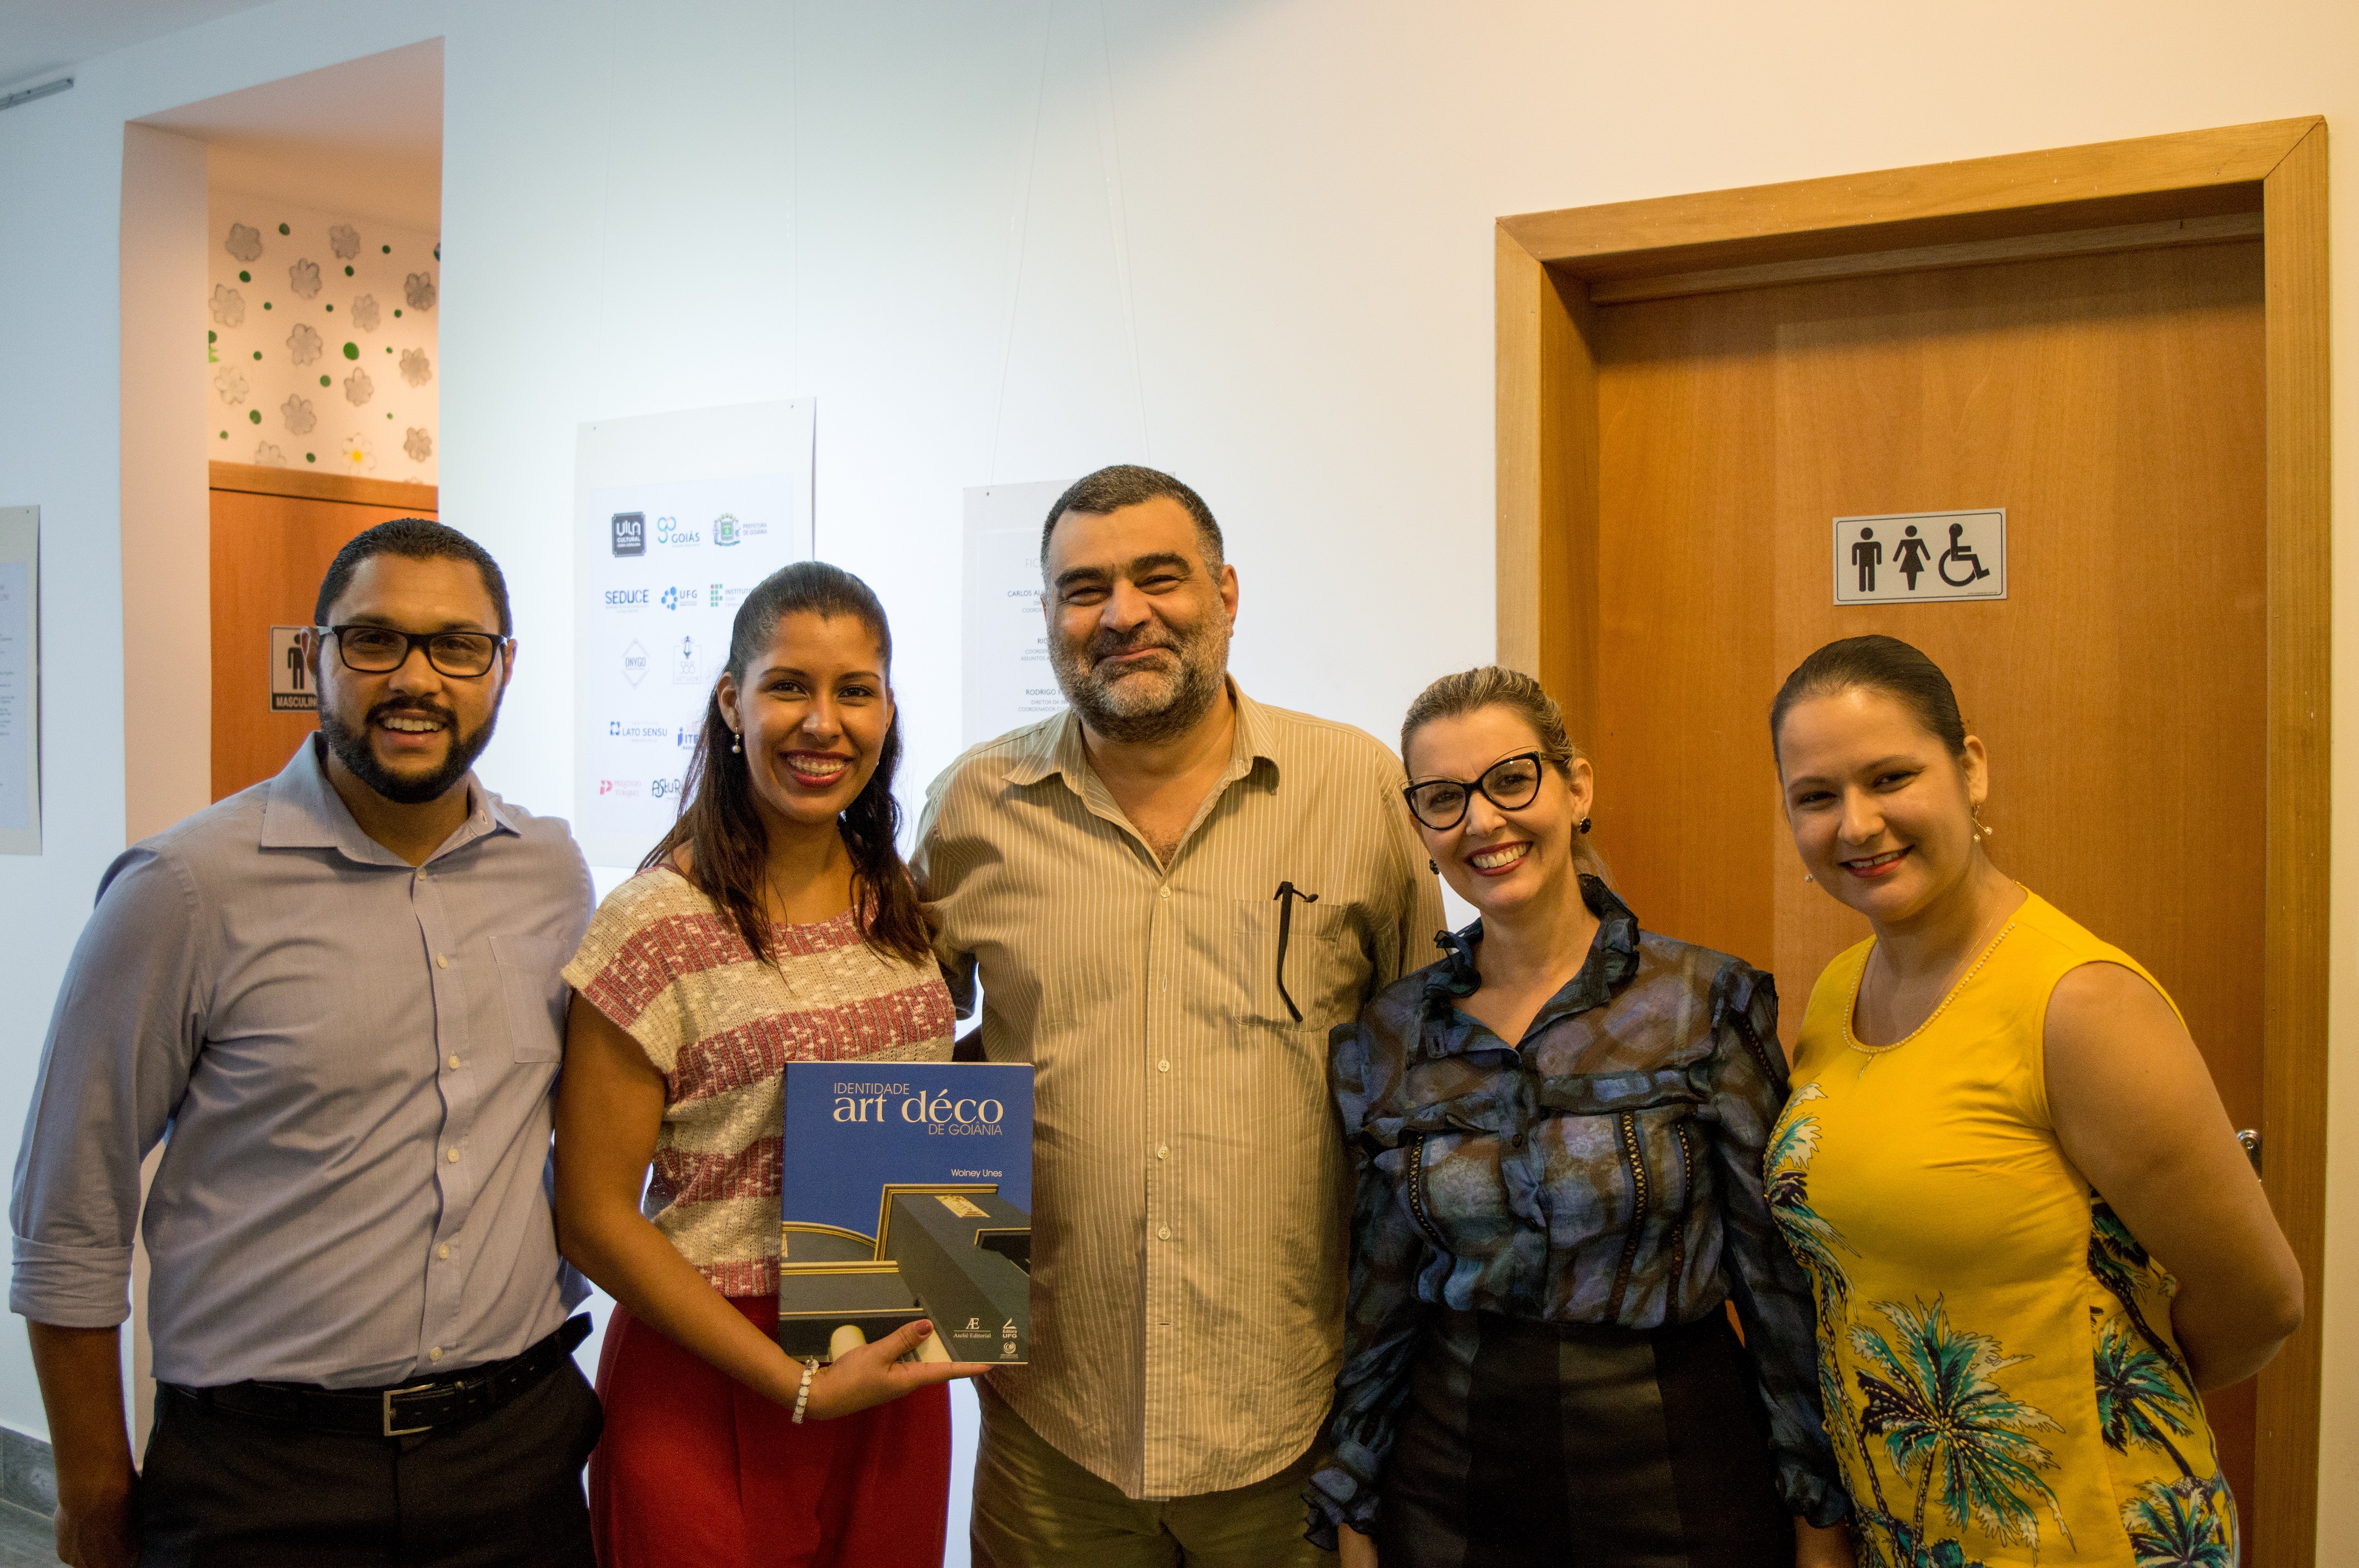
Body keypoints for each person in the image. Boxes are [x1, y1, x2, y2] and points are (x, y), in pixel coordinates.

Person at [12, 518, 602, 1567]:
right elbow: (70, 1209)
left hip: (513, 1458)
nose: (416, 678)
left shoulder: (552, 874)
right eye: (374, 640)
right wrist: (96, 1492)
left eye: (457, 646)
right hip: (263, 1482)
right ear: (312, 658)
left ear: (503, 668)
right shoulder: (183, 891)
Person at [913, 465, 1444, 1566]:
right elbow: (904, 1058)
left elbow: (1428, 1077)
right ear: (1052, 615)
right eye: (1083, 588)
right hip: (1050, 1427)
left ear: (1228, 592)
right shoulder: (975, 806)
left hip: (1292, 1424)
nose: (1122, 616)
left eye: (1160, 578)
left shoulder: (1354, 789)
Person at [1765, 633, 2303, 1566]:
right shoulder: (1836, 991)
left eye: (1890, 778)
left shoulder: (2080, 1003)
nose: (1855, 825)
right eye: (1817, 797)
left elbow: (2260, 1302)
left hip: (2083, 1532)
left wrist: (2090, 1409)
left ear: (1969, 768)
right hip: (1913, 1529)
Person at [1307, 665, 1851, 1567]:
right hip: (1450, 1482)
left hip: (1678, 1466)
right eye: (1445, 799)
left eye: (1511, 780)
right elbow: (1379, 1301)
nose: (1482, 821)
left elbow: (1780, 1284)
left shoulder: (1703, 1003)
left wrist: (1820, 1523)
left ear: (1576, 787)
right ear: (1420, 827)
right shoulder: (1391, 1037)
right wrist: (1353, 1512)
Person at [556, 561, 992, 1568]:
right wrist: (791, 1381)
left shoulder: (898, 902)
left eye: (855, 690)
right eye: (789, 685)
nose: (822, 723)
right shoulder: (654, 925)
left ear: (887, 709)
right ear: (732, 702)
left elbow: (904, 1090)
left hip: (881, 1343)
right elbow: (591, 1215)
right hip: (707, 1368)